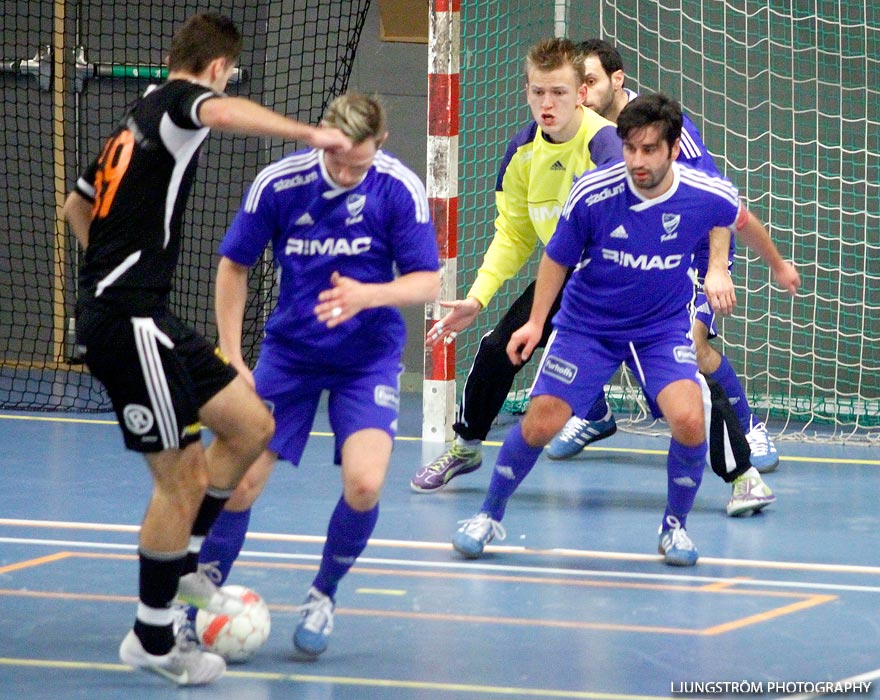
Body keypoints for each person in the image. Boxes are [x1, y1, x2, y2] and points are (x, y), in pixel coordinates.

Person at [62, 13, 352, 686]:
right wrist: (311, 134)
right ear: (219, 68)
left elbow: (74, 207)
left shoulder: (130, 123)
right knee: (181, 479)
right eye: (223, 78)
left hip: (143, 312)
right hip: (127, 320)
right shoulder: (173, 104)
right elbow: (217, 114)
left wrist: (102, 271)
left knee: (252, 424)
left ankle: (185, 567)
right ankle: (153, 638)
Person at [450, 93, 800, 567]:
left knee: (690, 419)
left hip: (659, 329)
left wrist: (777, 266)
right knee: (541, 421)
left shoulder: (703, 192)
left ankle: (673, 529)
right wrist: (535, 322)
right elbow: (556, 259)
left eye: (649, 149)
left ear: (673, 149)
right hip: (587, 327)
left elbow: (741, 221)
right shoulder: (594, 192)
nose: (637, 160)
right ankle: (488, 515)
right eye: (630, 148)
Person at [181, 92, 440, 658]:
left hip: (366, 357)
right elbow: (233, 266)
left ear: (382, 145)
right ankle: (199, 599)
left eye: (360, 160)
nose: (348, 171)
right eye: (339, 157)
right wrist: (232, 354)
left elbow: (427, 283)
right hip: (290, 354)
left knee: (365, 483)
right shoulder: (279, 183)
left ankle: (323, 593)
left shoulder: (397, 187)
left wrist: (368, 295)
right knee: (238, 482)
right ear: (322, 136)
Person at [548, 39, 780, 479]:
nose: (583, 93)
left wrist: (714, 268)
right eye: (577, 84)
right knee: (562, 322)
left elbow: (716, 196)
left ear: (618, 81)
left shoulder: (663, 129)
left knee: (691, 346)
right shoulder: (576, 133)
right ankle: (594, 413)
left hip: (689, 253)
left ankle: (748, 431)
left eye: (591, 81)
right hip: (629, 254)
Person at [410, 37, 622, 492]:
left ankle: (741, 462)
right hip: (563, 279)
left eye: (559, 93)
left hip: (622, 277)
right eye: (538, 92)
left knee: (687, 372)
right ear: (526, 91)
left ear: (582, 93)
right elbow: (514, 236)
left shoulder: (605, 145)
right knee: (498, 348)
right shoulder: (522, 155)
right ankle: (466, 446)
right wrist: (476, 297)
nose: (548, 103)